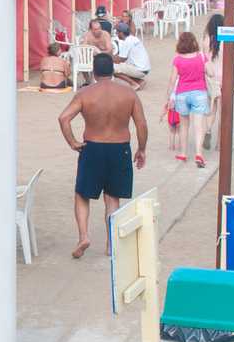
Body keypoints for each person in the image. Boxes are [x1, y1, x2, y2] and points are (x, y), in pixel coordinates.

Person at [57, 52, 149, 259]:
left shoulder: (85, 94)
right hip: (120, 148)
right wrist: (141, 149)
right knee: (112, 197)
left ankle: (83, 236)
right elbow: (141, 124)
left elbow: (63, 118)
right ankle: (111, 244)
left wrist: (73, 142)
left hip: (93, 148)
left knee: (82, 194)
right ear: (113, 70)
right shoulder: (128, 94)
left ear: (94, 71)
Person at [166, 30, 211, 168]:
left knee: (184, 125)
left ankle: (183, 153)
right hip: (199, 93)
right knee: (199, 126)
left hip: (182, 94)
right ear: (194, 42)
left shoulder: (177, 59)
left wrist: (169, 97)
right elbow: (211, 73)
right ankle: (199, 154)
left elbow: (172, 80)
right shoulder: (201, 57)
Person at [202, 13, 226, 152]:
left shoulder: (206, 40)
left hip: (210, 78)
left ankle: (208, 129)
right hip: (224, 78)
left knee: (212, 108)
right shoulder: (225, 40)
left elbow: (204, 60)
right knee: (223, 112)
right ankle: (219, 143)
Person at [111, 20, 151, 86]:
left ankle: (134, 84)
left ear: (121, 33)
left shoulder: (127, 41)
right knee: (121, 67)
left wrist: (108, 57)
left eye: (117, 32)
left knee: (111, 68)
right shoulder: (133, 38)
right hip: (145, 68)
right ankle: (139, 81)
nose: (117, 34)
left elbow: (120, 60)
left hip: (139, 70)